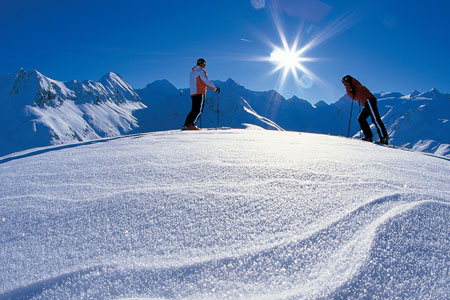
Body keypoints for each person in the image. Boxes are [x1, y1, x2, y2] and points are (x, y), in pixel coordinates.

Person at [341, 75, 389, 144]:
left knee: (375, 119)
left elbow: (353, 95)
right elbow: (354, 95)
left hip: (369, 101)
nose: (343, 84)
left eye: (343, 82)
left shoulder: (355, 87)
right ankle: (369, 137)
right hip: (367, 102)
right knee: (361, 118)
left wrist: (355, 93)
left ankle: (384, 137)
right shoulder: (355, 86)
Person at [183, 58, 220, 130]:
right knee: (198, 110)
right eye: (204, 64)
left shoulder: (192, 72)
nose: (205, 66)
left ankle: (187, 124)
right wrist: (215, 89)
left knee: (194, 109)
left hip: (193, 93)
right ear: (202, 63)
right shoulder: (200, 71)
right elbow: (206, 81)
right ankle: (191, 124)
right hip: (200, 92)